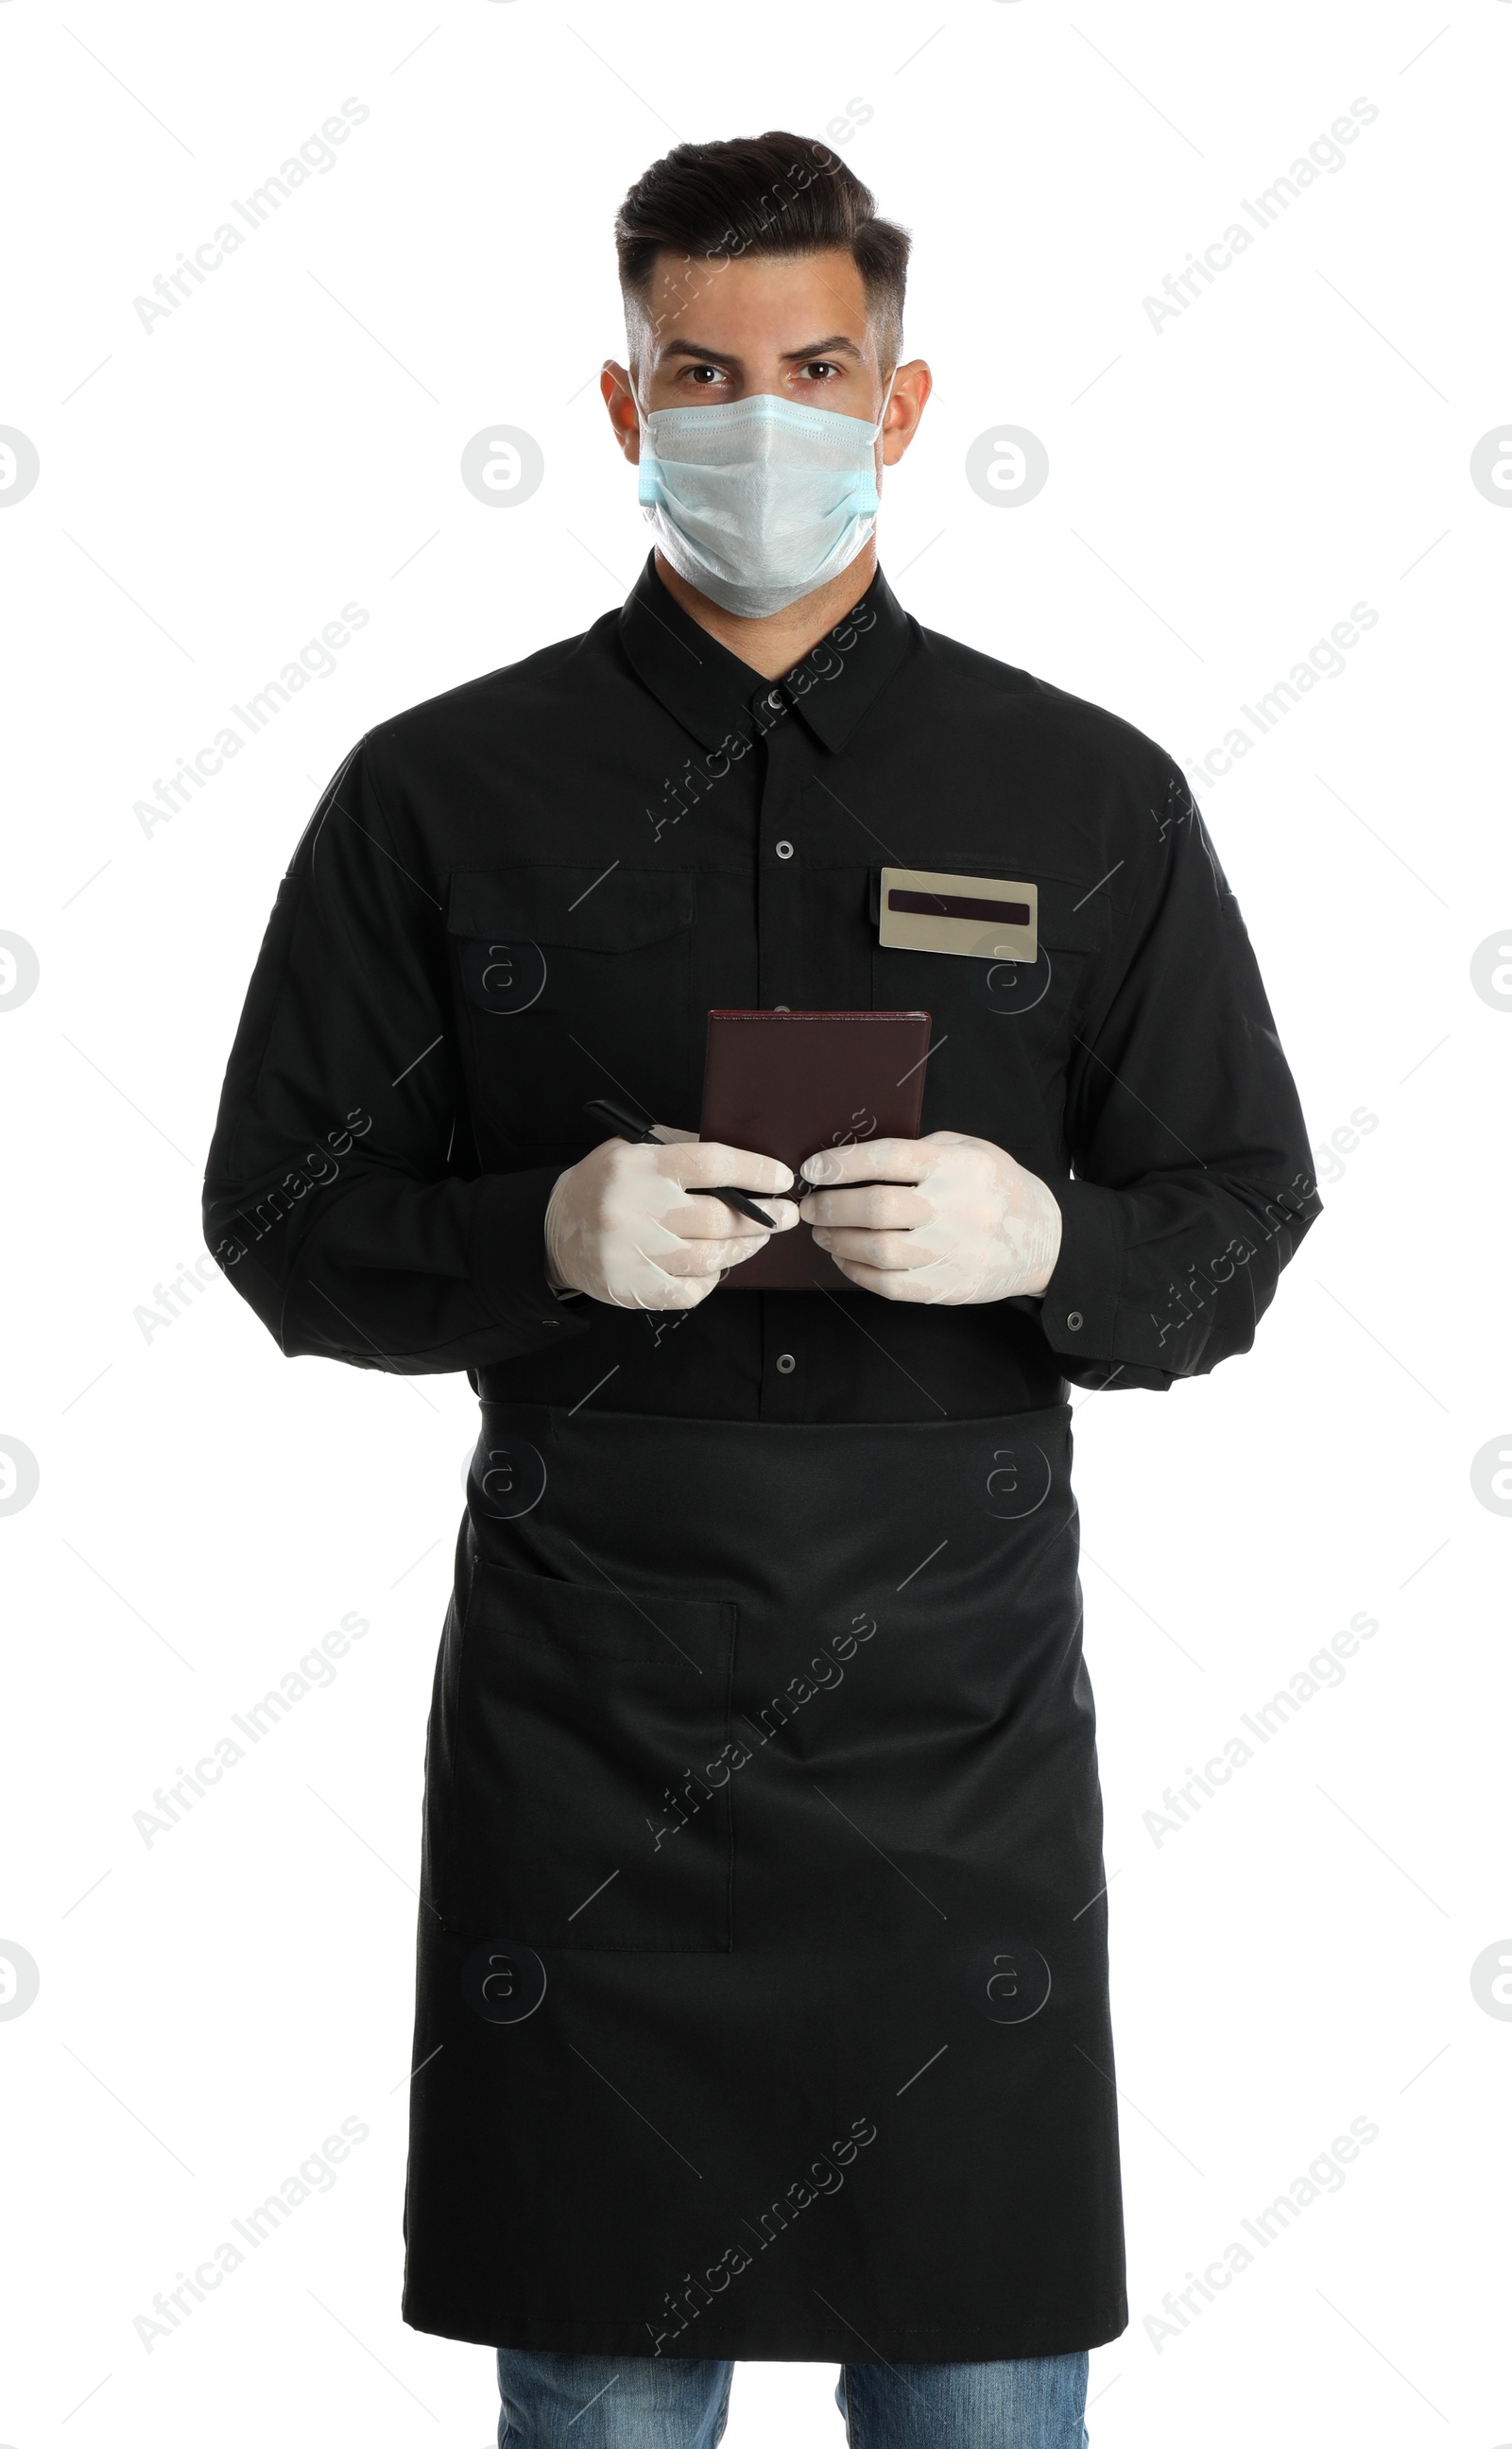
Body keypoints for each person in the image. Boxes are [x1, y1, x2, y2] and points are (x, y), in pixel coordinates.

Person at [202, 131, 1320, 2449]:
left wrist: (1057, 1248)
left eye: (813, 367)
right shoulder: (437, 792)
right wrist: (529, 1235)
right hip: (588, 1745)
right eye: (695, 372)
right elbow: (280, 1216)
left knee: (984, 2401)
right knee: (600, 2393)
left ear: (900, 407)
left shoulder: (1079, 791)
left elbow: (1236, 1209)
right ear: (621, 408)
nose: (756, 420)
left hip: (956, 1748)